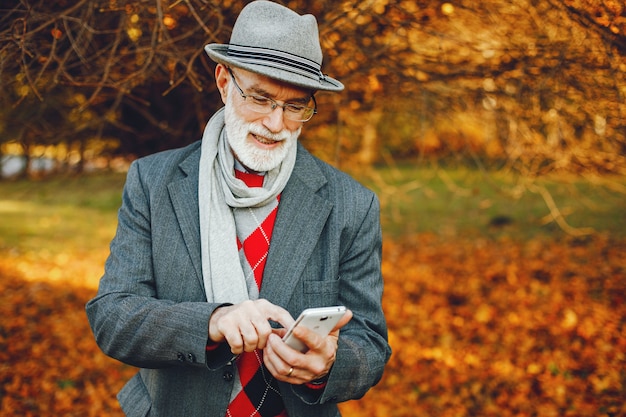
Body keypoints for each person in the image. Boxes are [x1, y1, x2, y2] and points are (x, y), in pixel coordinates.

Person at [86, 1, 391, 416]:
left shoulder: (351, 204)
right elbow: (113, 316)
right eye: (261, 98)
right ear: (224, 81)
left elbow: (370, 342)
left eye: (296, 105)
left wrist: (329, 365)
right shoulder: (152, 181)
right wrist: (211, 322)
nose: (275, 123)